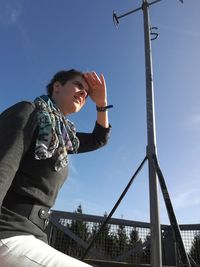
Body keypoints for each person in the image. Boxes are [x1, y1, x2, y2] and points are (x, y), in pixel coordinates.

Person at [0, 69, 112, 267]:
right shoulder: (29, 112)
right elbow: (2, 168)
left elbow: (98, 139)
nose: (83, 93)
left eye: (86, 93)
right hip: (8, 232)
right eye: (78, 85)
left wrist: (102, 105)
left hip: (34, 236)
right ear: (57, 87)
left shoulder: (60, 137)